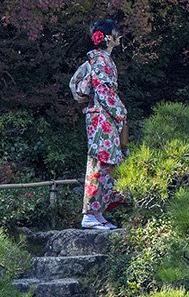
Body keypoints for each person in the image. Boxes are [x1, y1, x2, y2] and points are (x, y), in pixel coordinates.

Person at [75, 18, 127, 230]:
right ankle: (89, 214)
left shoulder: (103, 60)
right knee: (100, 162)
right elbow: (103, 91)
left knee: (106, 162)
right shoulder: (101, 61)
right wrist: (121, 112)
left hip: (103, 116)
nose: (119, 35)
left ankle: (98, 213)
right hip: (102, 116)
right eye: (116, 32)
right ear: (108, 38)